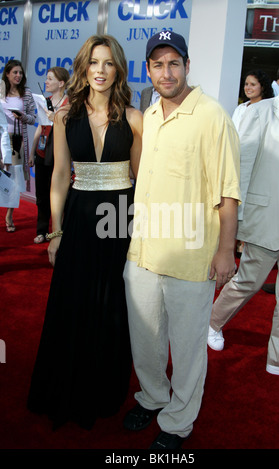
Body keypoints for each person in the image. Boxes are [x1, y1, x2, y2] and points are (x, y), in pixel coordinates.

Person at [123, 30, 241, 449]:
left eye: (174, 63)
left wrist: (226, 251)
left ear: (187, 66)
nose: (166, 71)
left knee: (188, 348)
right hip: (143, 250)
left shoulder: (213, 116)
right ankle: (153, 396)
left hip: (193, 256)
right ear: (150, 70)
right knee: (145, 336)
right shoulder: (150, 113)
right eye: (158, 64)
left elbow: (229, 191)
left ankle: (178, 422)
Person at [27, 35, 143, 430]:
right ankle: (67, 385)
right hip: (77, 216)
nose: (100, 70)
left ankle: (103, 387)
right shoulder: (65, 116)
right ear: (84, 66)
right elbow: (59, 176)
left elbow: (142, 181)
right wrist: (55, 232)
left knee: (111, 304)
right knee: (73, 301)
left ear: (118, 70)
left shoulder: (133, 117)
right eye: (94, 62)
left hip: (118, 218)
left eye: (109, 63)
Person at [207, 55, 279, 385]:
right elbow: (241, 168)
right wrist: (239, 222)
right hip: (265, 217)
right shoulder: (262, 112)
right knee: (248, 281)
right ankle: (212, 322)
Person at [231, 70, 273, 256]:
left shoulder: (268, 109)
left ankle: (245, 245)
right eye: (246, 84)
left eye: (253, 84)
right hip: (236, 161)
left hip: (256, 165)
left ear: (262, 87)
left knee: (250, 204)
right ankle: (232, 243)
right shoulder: (241, 108)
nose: (248, 88)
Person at [29, 67, 70, 244]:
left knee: (60, 194)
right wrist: (32, 152)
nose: (46, 82)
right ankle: (42, 230)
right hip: (42, 152)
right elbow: (39, 127)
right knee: (42, 194)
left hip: (60, 155)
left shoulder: (70, 104)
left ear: (61, 83)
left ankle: (60, 231)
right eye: (46, 78)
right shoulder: (44, 101)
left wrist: (56, 118)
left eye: (50, 79)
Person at [1, 60, 36, 232]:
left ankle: (9, 215)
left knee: (13, 178)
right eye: (15, 72)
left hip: (17, 140)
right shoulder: (0, 91)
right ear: (7, 73)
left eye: (20, 73)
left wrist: (22, 116)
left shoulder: (26, 93)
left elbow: (33, 118)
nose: (18, 76)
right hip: (1, 138)